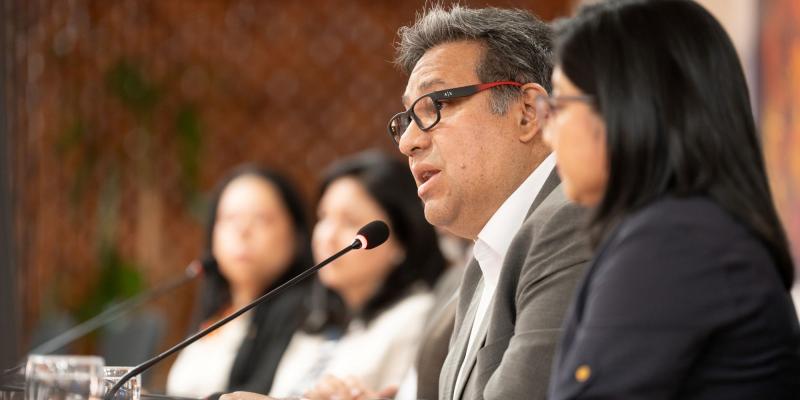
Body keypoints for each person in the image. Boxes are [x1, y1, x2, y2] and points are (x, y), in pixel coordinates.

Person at [542, 1, 800, 398]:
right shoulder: (688, 230)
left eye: (558, 105)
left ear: (629, 107)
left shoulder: (675, 242)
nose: (547, 133)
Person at [390, 5, 591, 400]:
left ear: (529, 112)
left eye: (436, 106)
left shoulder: (569, 221)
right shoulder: (484, 261)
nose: (407, 141)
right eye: (406, 119)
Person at [267, 150, 447, 399]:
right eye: (323, 217)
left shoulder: (414, 317)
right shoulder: (316, 319)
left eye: (349, 221)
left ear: (401, 241)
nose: (327, 236)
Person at [167, 166, 315, 397]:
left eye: (261, 219)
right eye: (229, 218)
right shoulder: (215, 311)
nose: (242, 230)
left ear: (297, 235)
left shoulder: (306, 311)